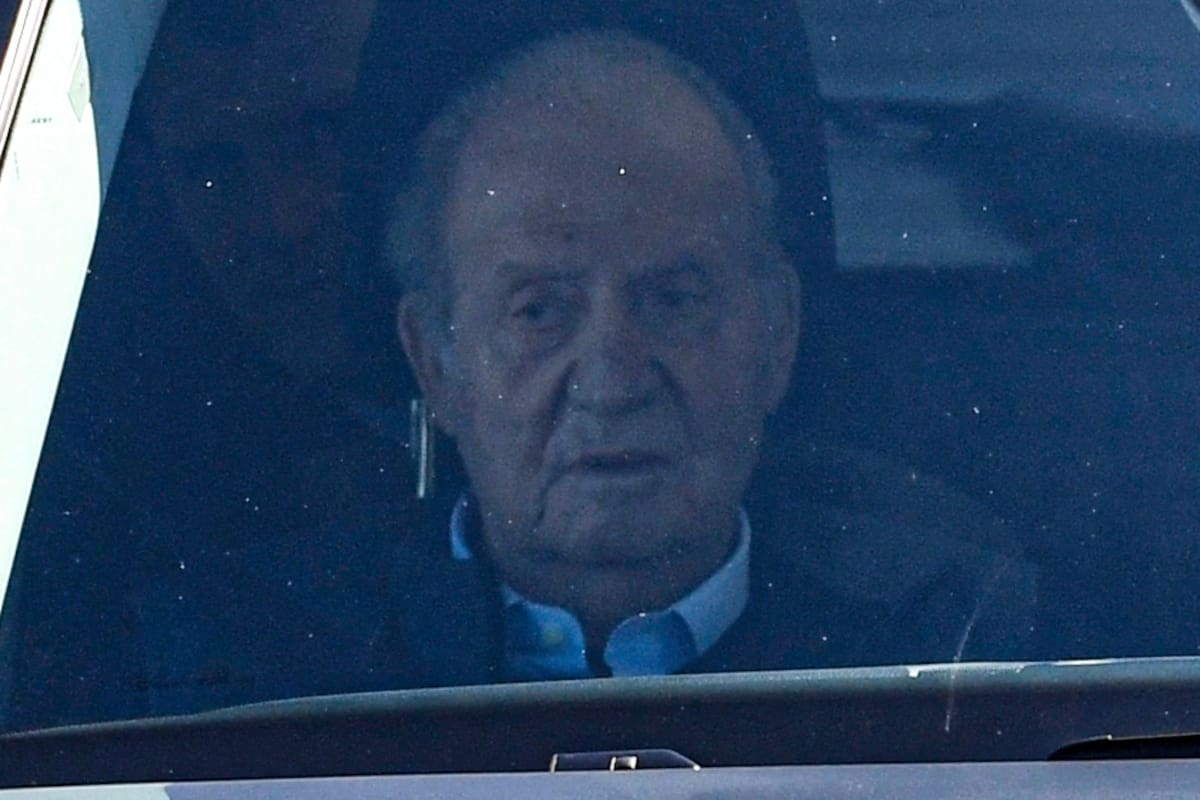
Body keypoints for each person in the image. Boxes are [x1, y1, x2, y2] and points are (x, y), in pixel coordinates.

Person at [371, 28, 1038, 684]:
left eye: (673, 301)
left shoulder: (956, 649)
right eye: (540, 311)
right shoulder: (300, 670)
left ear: (776, 336)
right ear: (435, 362)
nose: (612, 384)